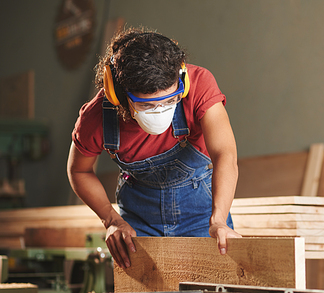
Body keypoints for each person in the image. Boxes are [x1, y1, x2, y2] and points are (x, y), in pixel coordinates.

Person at [67, 27, 241, 269]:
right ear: (118, 94)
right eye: (147, 105)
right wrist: (111, 220)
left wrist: (219, 219)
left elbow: (225, 155)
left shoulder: (199, 84)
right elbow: (79, 171)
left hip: (201, 216)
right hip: (138, 223)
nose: (161, 111)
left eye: (170, 100)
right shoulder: (96, 118)